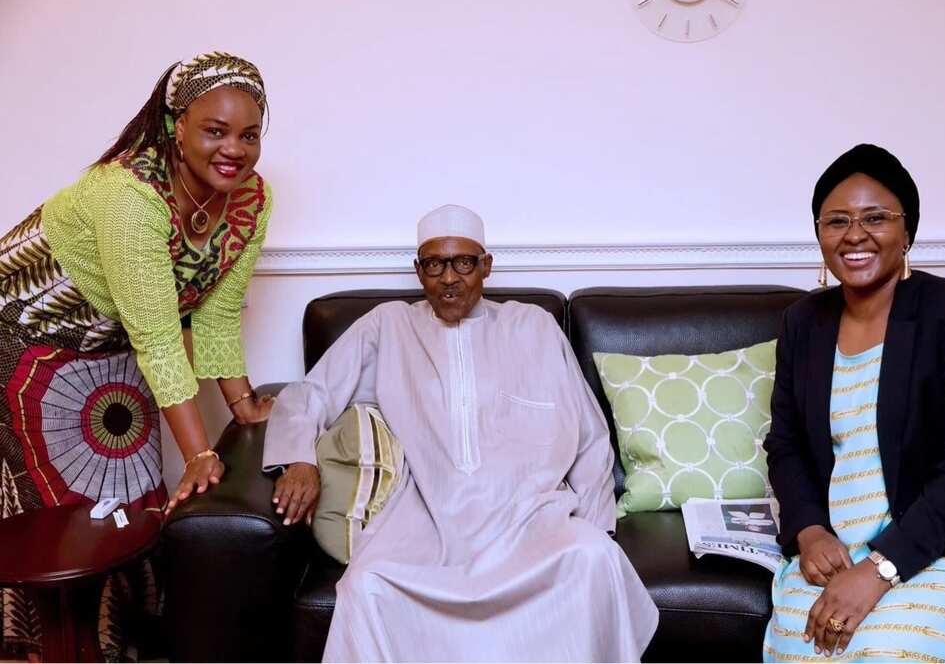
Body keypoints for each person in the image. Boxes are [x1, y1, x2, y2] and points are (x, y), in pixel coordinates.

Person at [263, 204, 658, 662]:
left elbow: (589, 434)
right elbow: (310, 393)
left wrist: (595, 523)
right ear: (418, 271)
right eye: (434, 264)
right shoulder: (387, 326)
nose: (449, 277)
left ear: (485, 265)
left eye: (463, 262)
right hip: (424, 518)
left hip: (530, 515)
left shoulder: (533, 326)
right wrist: (299, 459)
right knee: (366, 586)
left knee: (594, 558)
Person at [0, 52, 274, 660]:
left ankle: (122, 639)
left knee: (130, 490)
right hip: (24, 343)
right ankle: (58, 649)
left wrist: (244, 405)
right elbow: (157, 334)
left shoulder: (251, 200)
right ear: (176, 124)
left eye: (249, 134)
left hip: (114, 340)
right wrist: (200, 451)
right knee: (61, 508)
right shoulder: (127, 196)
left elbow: (214, 312)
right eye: (215, 130)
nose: (235, 148)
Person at [762, 144, 945, 662]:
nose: (854, 234)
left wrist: (880, 569)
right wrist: (809, 529)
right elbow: (785, 445)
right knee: (808, 648)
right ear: (820, 234)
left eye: (876, 218)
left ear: (907, 231)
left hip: (943, 548)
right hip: (834, 549)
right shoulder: (803, 322)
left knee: (883, 651)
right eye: (837, 220)